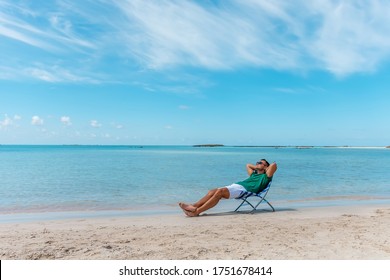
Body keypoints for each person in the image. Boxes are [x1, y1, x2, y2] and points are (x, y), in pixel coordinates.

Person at [179, 159, 277, 217]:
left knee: (220, 192)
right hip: (236, 186)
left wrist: (264, 168)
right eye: (257, 162)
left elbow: (274, 165)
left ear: (265, 167)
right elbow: (247, 165)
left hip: (245, 190)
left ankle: (197, 212)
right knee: (212, 191)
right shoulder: (253, 174)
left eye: (261, 162)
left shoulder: (266, 176)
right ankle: (194, 206)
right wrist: (258, 168)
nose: (258, 163)